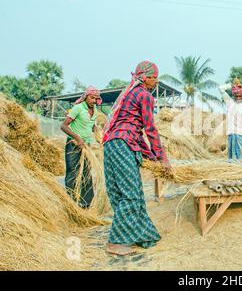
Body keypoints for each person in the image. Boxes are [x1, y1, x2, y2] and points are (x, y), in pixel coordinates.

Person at [102, 60, 172, 256]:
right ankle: (115, 243)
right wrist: (162, 158)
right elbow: (150, 129)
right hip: (123, 145)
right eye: (155, 78)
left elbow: (134, 130)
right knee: (131, 195)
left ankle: (143, 236)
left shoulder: (129, 94)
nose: (156, 82)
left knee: (120, 193)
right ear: (146, 78)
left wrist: (150, 157)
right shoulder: (144, 95)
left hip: (111, 145)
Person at [60, 86, 102, 209]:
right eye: (91, 97)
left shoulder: (95, 111)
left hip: (86, 146)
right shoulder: (78, 108)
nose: (93, 100)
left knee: (86, 173)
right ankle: (72, 203)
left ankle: (86, 204)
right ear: (85, 97)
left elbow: (92, 126)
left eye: (96, 98)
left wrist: (98, 135)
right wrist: (77, 138)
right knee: (73, 173)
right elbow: (64, 126)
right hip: (73, 145)